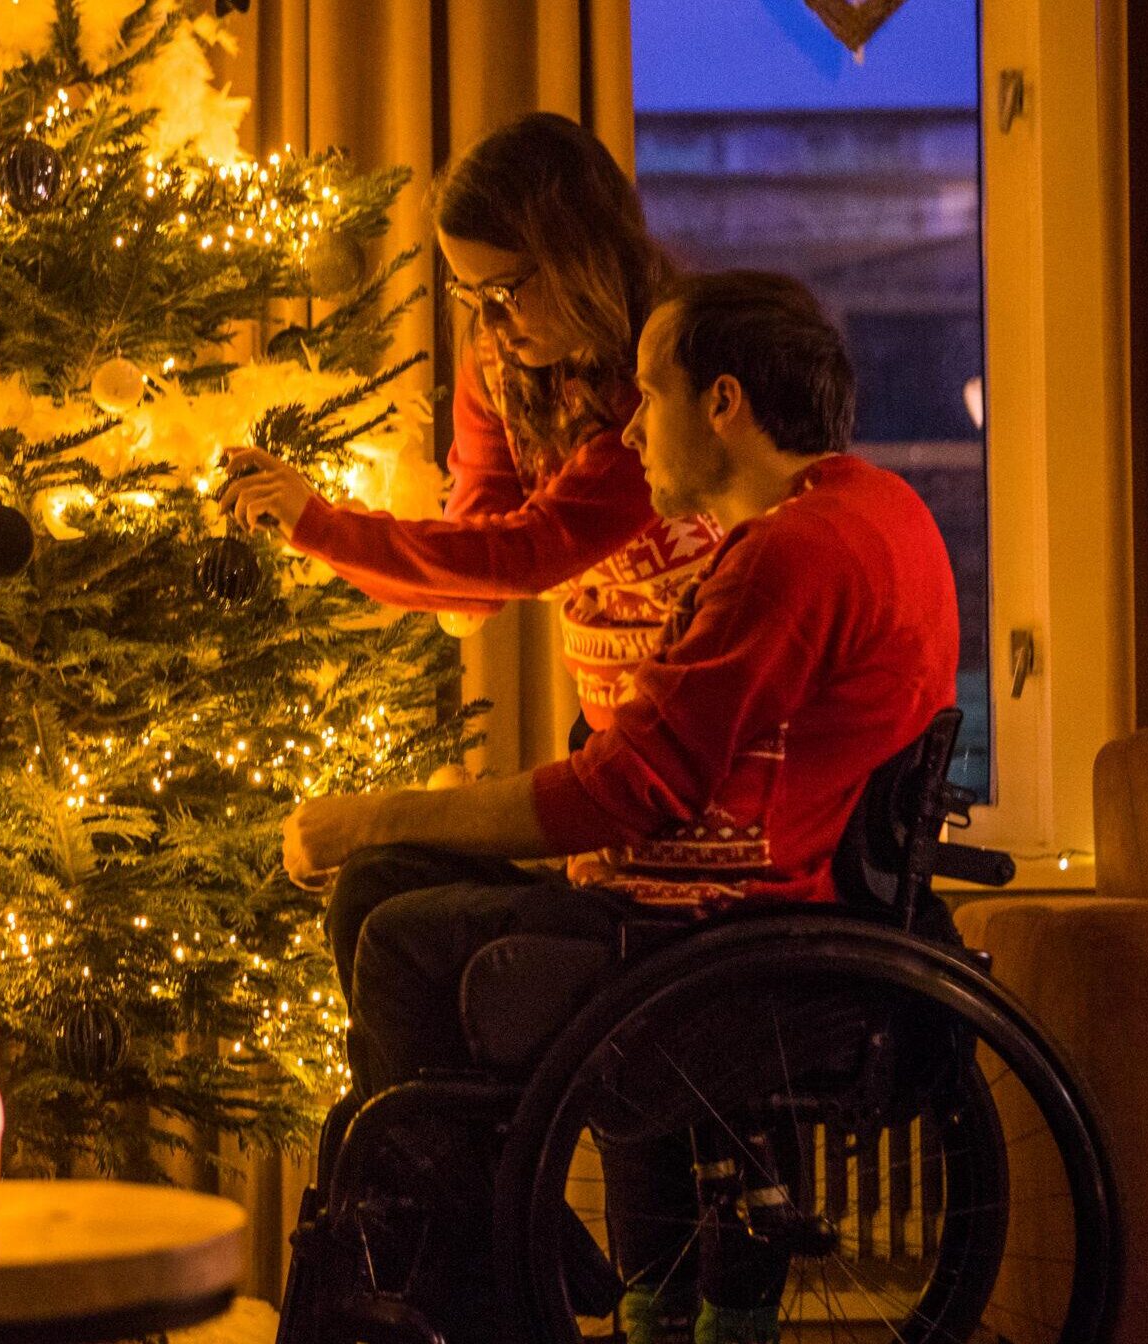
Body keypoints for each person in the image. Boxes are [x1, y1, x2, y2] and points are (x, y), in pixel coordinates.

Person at [283, 270, 960, 1344]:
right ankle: (518, 1226)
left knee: (402, 940)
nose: (631, 428)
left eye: (651, 394)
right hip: (755, 900)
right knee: (381, 889)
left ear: (723, 403)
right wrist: (388, 838)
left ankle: (487, 1278)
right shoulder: (868, 507)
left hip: (728, 941)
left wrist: (376, 810)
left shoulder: (790, 557)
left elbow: (625, 789)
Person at [221, 111, 721, 751]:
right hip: (611, 718)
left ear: (580, 258)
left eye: (506, 291)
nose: (489, 321)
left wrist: (321, 525)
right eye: (468, 292)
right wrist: (319, 534)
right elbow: (477, 560)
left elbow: (530, 554)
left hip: (711, 720)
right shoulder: (497, 361)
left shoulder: (663, 377)